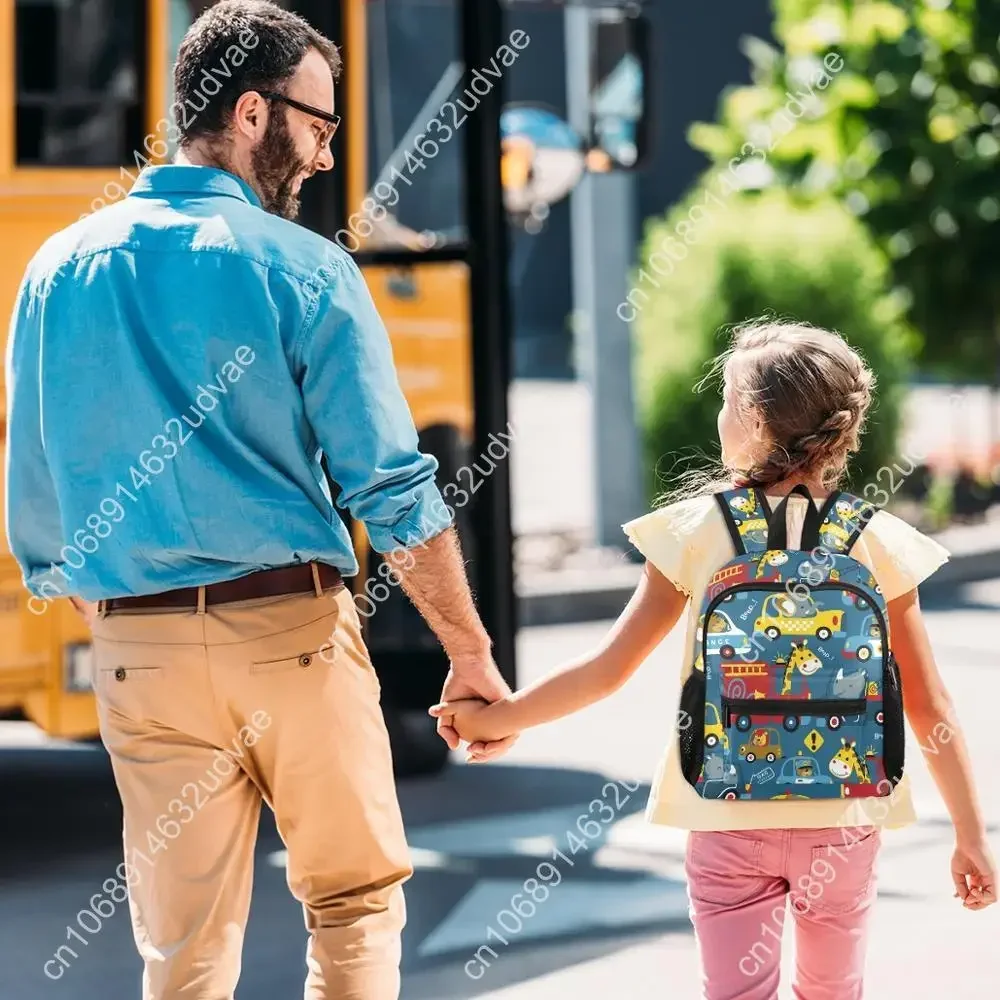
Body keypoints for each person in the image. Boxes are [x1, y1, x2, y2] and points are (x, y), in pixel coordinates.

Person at [5, 2, 513, 997]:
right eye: (319, 126)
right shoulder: (304, 268)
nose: (324, 157)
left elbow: (35, 492)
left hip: (136, 653)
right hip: (289, 633)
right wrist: (468, 651)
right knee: (353, 902)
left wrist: (124, 620)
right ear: (250, 111)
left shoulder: (55, 269)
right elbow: (391, 487)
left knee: (183, 949)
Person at [432, 320, 997, 999]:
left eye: (728, 400)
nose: (721, 414)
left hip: (727, 811)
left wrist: (497, 718)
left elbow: (608, 668)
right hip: (845, 818)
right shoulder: (875, 539)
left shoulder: (697, 531)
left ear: (755, 419)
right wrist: (969, 835)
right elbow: (930, 704)